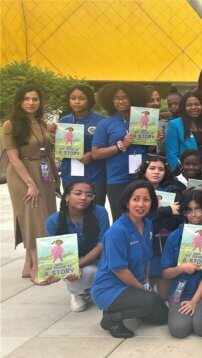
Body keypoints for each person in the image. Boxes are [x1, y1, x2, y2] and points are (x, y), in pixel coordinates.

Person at [91, 181, 169, 338]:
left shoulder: (147, 224)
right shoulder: (117, 232)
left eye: (146, 199)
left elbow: (146, 258)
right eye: (136, 199)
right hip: (109, 288)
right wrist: (142, 290)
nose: (141, 204)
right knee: (150, 301)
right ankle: (111, 318)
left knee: (163, 317)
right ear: (127, 202)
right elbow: (119, 270)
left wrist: (146, 283)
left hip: (134, 284)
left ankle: (126, 305)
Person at [3, 85, 60, 280]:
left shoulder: (40, 123)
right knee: (34, 219)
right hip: (22, 174)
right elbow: (13, 158)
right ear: (19, 101)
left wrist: (55, 176)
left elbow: (48, 152)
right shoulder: (10, 125)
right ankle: (38, 269)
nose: (31, 102)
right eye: (27, 99)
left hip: (42, 172)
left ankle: (28, 266)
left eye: (35, 99)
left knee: (43, 217)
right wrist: (30, 184)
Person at [43, 181, 110, 311]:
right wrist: (63, 270)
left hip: (99, 258)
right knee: (89, 272)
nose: (83, 198)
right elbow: (55, 253)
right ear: (67, 197)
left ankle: (94, 288)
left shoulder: (100, 212)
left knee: (109, 271)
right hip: (72, 260)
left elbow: (102, 244)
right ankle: (77, 293)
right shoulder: (53, 221)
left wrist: (77, 265)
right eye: (78, 193)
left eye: (89, 195)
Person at [161, 190, 202, 338]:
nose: (194, 214)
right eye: (189, 210)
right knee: (179, 330)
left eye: (197, 209)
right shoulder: (174, 236)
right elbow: (165, 272)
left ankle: (200, 307)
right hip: (181, 290)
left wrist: (194, 301)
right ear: (183, 212)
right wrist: (181, 268)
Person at [91, 83, 151, 220]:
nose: (121, 101)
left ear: (133, 99)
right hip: (117, 179)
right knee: (120, 218)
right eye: (116, 98)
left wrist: (156, 138)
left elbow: (148, 148)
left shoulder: (143, 120)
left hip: (142, 177)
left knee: (143, 217)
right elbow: (95, 153)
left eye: (125, 98)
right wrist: (121, 145)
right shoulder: (106, 124)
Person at [135, 155, 185, 298]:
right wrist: (166, 210)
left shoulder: (173, 189)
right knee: (146, 279)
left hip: (167, 240)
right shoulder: (136, 189)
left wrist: (154, 214)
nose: (156, 172)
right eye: (152, 168)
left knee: (164, 294)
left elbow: (178, 216)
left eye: (161, 169)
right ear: (144, 170)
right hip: (145, 240)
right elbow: (140, 216)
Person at [58, 85, 107, 205]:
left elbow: (108, 146)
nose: (77, 101)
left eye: (82, 98)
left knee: (96, 210)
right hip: (69, 174)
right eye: (73, 98)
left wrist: (91, 154)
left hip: (95, 174)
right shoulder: (64, 121)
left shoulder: (101, 121)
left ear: (89, 100)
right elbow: (62, 146)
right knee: (71, 210)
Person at [165, 93, 202, 175]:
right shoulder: (174, 124)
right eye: (189, 105)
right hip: (189, 172)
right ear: (183, 107)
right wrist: (180, 175)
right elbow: (172, 155)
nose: (194, 107)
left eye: (197, 104)